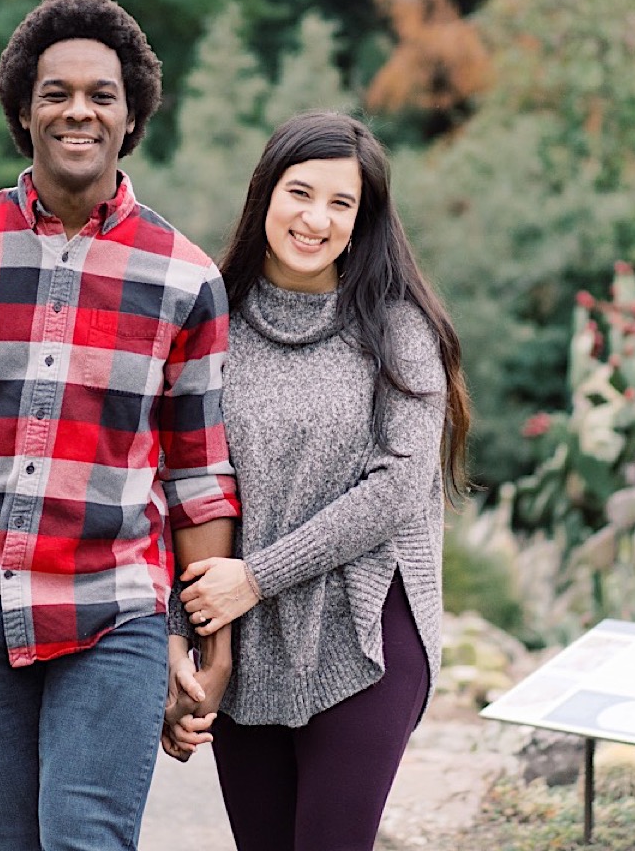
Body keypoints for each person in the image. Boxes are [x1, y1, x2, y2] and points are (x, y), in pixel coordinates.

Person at [0, 0, 240, 851]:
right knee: (12, 842)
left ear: (131, 115)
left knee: (85, 839)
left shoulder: (185, 280)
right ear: (25, 111)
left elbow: (197, 475)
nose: (79, 111)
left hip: (117, 606)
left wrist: (203, 644)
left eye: (101, 95)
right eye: (57, 93)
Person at [163, 111, 472, 851]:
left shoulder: (397, 328)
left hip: (370, 629)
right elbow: (181, 480)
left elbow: (397, 485)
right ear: (265, 194)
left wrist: (258, 577)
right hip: (246, 641)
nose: (316, 219)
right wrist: (183, 633)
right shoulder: (212, 323)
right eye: (301, 193)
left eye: (342, 203)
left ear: (363, 221)